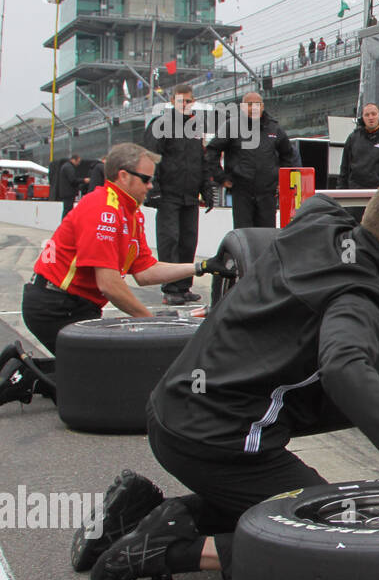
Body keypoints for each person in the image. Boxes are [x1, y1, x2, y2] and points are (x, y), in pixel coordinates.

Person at [75, 173, 379, 580]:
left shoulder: (319, 222)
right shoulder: (359, 297)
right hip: (217, 442)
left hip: (171, 409)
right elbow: (344, 368)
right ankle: (167, 550)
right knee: (329, 530)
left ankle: (139, 515)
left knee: (281, 499)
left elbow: (314, 206)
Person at [1, 143, 231, 407]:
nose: (150, 186)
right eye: (146, 179)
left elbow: (145, 271)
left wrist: (202, 267)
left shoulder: (130, 213)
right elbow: (109, 284)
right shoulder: (104, 210)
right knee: (107, 384)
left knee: (109, 372)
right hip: (54, 306)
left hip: (76, 307)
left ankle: (40, 368)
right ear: (123, 176)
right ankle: (26, 376)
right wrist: (152, 323)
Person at [145, 85, 212, 306]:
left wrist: (207, 190)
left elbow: (201, 162)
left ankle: (184, 287)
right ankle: (170, 288)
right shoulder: (160, 125)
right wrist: (152, 189)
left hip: (190, 196)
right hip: (168, 195)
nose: (185, 104)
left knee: (188, 242)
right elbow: (150, 158)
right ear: (173, 101)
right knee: (170, 241)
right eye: (181, 100)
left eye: (189, 101)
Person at [205, 92, 296, 229]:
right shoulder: (231, 126)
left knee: (266, 235)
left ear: (262, 106)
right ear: (242, 107)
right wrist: (221, 177)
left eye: (257, 104)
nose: (253, 108)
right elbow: (212, 151)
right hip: (241, 193)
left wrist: (282, 180)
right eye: (249, 104)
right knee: (244, 236)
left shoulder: (274, 128)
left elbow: (288, 155)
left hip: (267, 194)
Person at [341, 102, 379, 189]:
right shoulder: (353, 138)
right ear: (362, 118)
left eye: (374, 114)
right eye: (367, 115)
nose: (370, 118)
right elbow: (344, 169)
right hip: (355, 192)